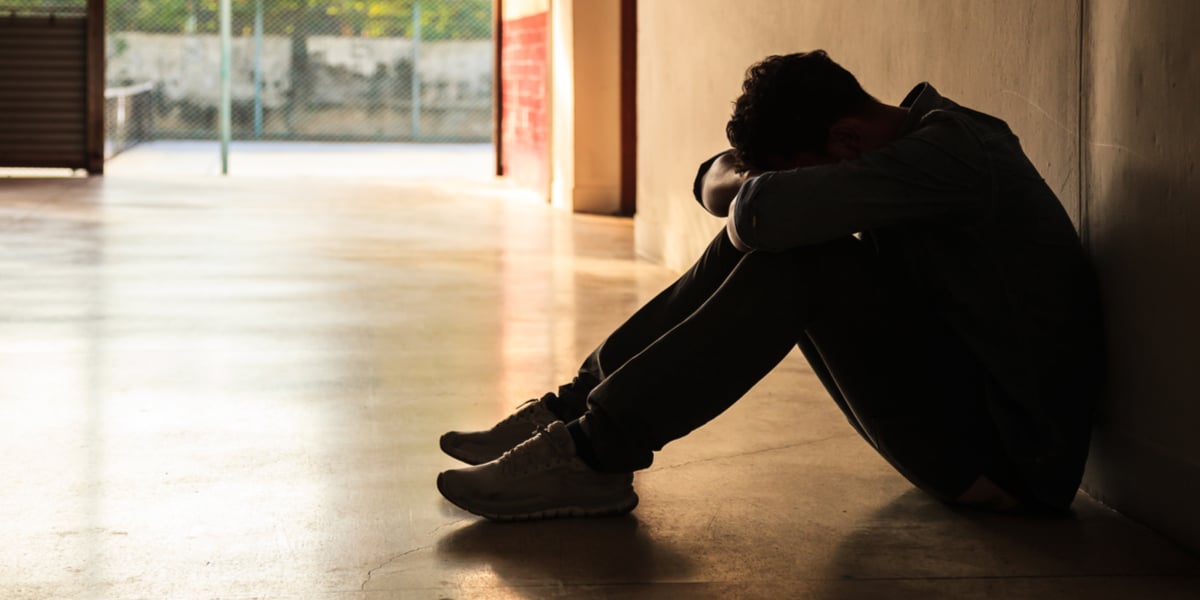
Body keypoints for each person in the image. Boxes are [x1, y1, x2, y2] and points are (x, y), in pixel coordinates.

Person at [436, 50, 1104, 521]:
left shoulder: (951, 157)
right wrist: (752, 193)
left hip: (1015, 466)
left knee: (799, 255)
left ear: (843, 141)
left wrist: (756, 198)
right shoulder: (896, 144)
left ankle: (591, 454)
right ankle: (573, 414)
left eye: (801, 175)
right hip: (964, 421)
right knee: (785, 239)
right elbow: (717, 178)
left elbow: (756, 209)